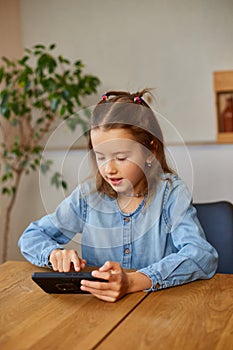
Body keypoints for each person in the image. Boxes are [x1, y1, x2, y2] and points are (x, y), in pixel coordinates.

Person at [18, 89, 218, 302]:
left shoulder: (171, 193)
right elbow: (31, 236)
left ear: (150, 151)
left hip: (158, 308)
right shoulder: (88, 197)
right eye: (101, 156)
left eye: (121, 157)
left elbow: (201, 255)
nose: (109, 169)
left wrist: (133, 281)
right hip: (99, 311)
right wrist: (53, 254)